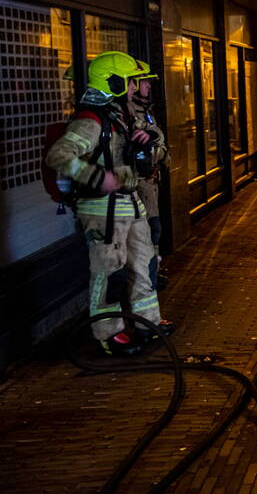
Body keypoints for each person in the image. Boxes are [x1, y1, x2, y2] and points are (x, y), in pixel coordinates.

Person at [45, 51, 173, 355]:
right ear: (113, 82)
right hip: (103, 210)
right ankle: (109, 333)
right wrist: (96, 177)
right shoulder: (89, 120)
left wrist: (140, 142)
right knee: (109, 272)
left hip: (129, 203)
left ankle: (147, 323)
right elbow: (58, 156)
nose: (133, 87)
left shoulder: (115, 116)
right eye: (129, 81)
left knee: (144, 263)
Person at [127, 61, 169, 291]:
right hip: (140, 182)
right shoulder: (130, 112)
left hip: (150, 179)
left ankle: (155, 270)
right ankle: (150, 274)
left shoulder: (145, 109)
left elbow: (156, 138)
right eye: (143, 83)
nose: (146, 87)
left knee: (154, 227)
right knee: (151, 228)